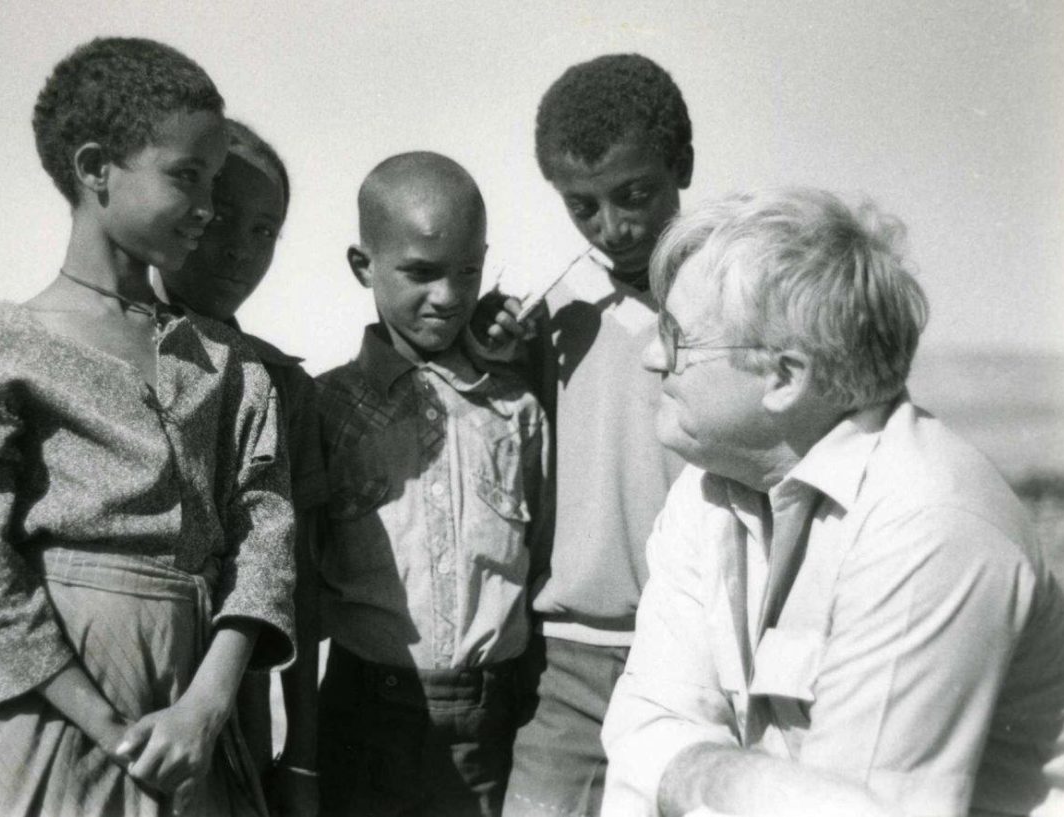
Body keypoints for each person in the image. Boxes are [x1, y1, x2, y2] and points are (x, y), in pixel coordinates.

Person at [0, 38, 296, 817]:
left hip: (195, 724)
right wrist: (116, 733)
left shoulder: (231, 365)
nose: (209, 207)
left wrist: (207, 705)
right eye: (186, 177)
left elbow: (263, 537)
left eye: (214, 181)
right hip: (52, 725)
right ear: (94, 168)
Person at [601, 187, 1064, 817]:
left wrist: (690, 772)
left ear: (785, 379)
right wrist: (722, 779)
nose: (653, 359)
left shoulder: (926, 525)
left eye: (678, 337)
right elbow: (642, 729)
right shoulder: (711, 487)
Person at [476, 53, 693, 817]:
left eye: (635, 194)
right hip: (564, 665)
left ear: (682, 166)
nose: (615, 225)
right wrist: (499, 351)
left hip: (694, 657)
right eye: (584, 206)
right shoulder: (554, 312)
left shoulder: (734, 299)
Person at [313, 151, 549, 816]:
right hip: (364, 717)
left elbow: (540, 564)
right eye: (420, 273)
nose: (448, 296)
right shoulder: (325, 409)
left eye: (467, 271)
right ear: (364, 266)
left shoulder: (515, 410)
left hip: (490, 721)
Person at [158, 118, 324, 817]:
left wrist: (304, 758)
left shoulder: (281, 385)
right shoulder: (102, 354)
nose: (241, 251)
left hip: (233, 727)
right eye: (223, 218)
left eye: (266, 231)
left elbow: (301, 589)